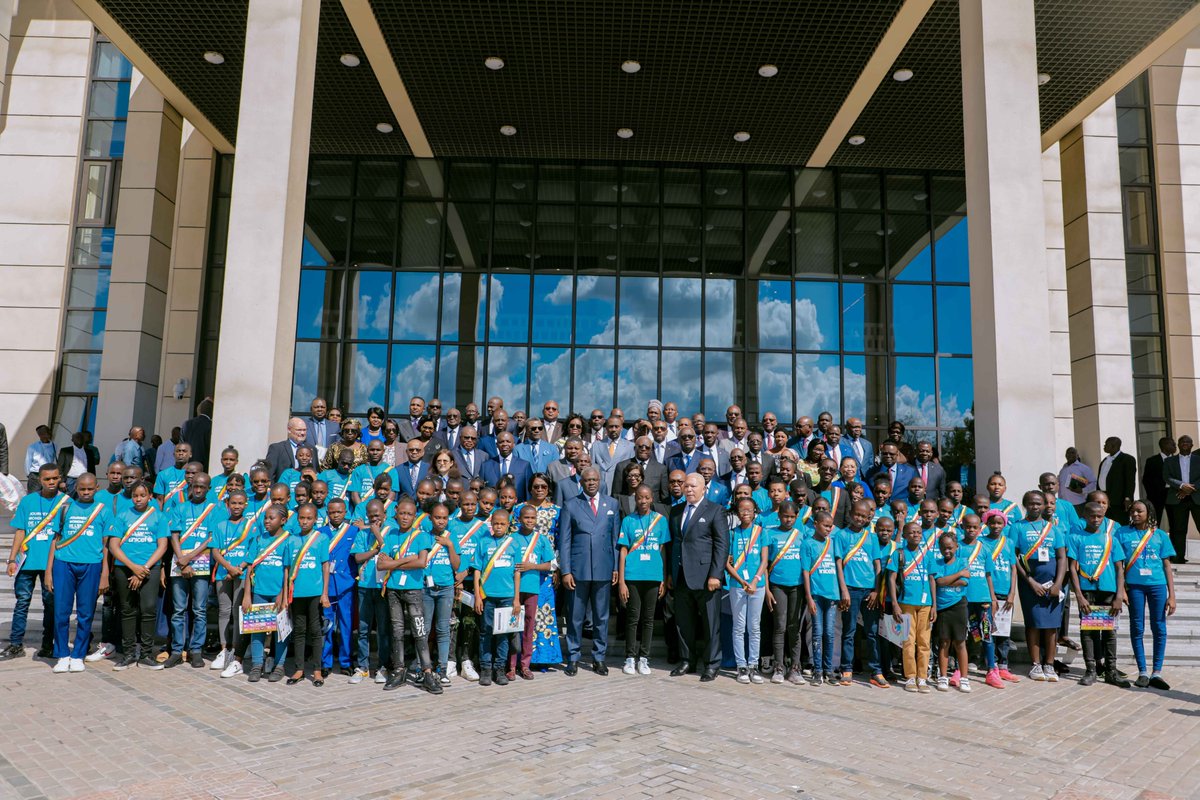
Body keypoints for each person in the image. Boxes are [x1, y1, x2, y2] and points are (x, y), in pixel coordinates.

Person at [45, 473, 112, 673]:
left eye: (89, 489)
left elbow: (107, 545)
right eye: (82, 488)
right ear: (76, 488)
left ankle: (78, 655)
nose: (85, 492)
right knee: (61, 612)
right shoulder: (65, 508)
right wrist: (48, 571)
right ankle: (63, 654)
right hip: (63, 564)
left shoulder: (103, 510)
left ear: (97, 488)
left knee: (85, 613)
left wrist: (105, 574)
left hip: (91, 565)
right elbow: (55, 541)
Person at [558, 467, 619, 675]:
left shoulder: (611, 504)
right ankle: (573, 657)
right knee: (575, 616)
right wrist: (565, 570)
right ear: (580, 483)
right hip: (578, 570)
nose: (591, 483)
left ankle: (599, 657)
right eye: (587, 480)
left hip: (603, 568)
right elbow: (564, 541)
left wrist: (615, 567)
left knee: (601, 617)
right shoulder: (570, 505)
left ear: (600, 480)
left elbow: (615, 539)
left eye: (594, 479)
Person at [3, 463, 67, 659]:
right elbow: (20, 530)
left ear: (60, 478)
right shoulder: (28, 501)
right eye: (47, 479)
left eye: (54, 478)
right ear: (40, 479)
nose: (51, 482)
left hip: (52, 564)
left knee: (50, 605)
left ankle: (48, 644)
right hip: (27, 561)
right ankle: (15, 644)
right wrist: (12, 558)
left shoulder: (67, 503)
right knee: (22, 602)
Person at [376, 498, 440, 693]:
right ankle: (399, 670)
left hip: (413, 590)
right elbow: (380, 565)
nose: (405, 517)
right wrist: (407, 559)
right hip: (394, 590)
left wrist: (394, 562)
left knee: (419, 631)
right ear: (396, 513)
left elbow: (421, 563)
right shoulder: (391, 534)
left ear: (415, 516)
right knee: (397, 631)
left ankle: (427, 672)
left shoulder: (421, 536)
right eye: (402, 513)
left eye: (409, 514)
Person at [106, 481, 169, 670]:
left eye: (142, 495)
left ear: (150, 496)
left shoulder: (158, 516)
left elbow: (163, 545)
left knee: (148, 609)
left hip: (150, 568)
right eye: (135, 495)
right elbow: (113, 545)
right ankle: (128, 653)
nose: (138, 499)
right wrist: (133, 567)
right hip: (125, 567)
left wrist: (144, 569)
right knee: (127, 610)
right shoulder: (123, 515)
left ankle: (146, 654)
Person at [1118, 500, 1177, 690]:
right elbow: (1118, 564)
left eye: (1139, 511)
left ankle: (1156, 672)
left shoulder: (1160, 535)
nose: (1135, 514)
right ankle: (1142, 671)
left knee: (1159, 627)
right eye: (1133, 511)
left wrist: (1172, 595)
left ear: (1149, 513)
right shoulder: (1122, 533)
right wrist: (1122, 590)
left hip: (1157, 586)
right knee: (1137, 626)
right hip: (1134, 586)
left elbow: (1167, 565)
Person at [1068, 502, 1129, 687]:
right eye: (1092, 516)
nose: (1096, 520)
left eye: (1099, 516)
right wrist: (1079, 595)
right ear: (1084, 517)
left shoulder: (1111, 539)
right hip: (1087, 591)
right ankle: (1091, 670)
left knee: (1109, 632)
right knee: (1088, 631)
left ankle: (1111, 670)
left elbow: (1119, 568)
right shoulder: (1076, 537)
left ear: (1104, 517)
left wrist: (1119, 595)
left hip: (1108, 591)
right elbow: (1072, 567)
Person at [165, 473, 220, 669]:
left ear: (208, 489)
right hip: (179, 561)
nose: (197, 490)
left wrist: (189, 558)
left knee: (199, 609)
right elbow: (174, 535)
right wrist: (182, 560)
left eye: (202, 487)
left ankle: (196, 650)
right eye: (195, 486)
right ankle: (177, 650)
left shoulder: (215, 509)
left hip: (202, 562)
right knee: (178, 610)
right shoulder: (180, 508)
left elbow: (211, 538)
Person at [1012, 490, 1067, 682]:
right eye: (1031, 503)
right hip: (1030, 581)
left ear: (1044, 505)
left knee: (1052, 626)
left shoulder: (1054, 529)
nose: (1035, 507)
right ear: (1024, 505)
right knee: (1033, 623)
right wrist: (1031, 582)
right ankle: (1035, 664)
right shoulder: (1017, 527)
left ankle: (1050, 664)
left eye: (1038, 503)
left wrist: (1058, 583)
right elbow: (1015, 557)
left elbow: (1061, 557)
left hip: (1052, 581)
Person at [512, 473, 562, 668]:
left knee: (543, 612)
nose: (539, 490)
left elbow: (559, 541)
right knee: (521, 613)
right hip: (522, 569)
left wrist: (557, 569)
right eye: (536, 486)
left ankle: (542, 657)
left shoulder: (556, 511)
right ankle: (519, 658)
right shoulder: (519, 509)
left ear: (549, 489)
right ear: (530, 488)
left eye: (543, 486)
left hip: (546, 570)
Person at [241, 506, 292, 682]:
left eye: (272, 518)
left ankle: (279, 665)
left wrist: (282, 594)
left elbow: (288, 570)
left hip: (278, 593)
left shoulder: (288, 540)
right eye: (265, 518)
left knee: (280, 629)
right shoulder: (258, 540)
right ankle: (256, 664)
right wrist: (247, 594)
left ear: (283, 520)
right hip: (260, 592)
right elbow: (250, 568)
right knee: (258, 629)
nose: (267, 521)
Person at [282, 505, 331, 686]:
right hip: (297, 593)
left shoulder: (321, 539)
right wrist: (286, 592)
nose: (304, 521)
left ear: (316, 519)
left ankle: (317, 671)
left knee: (316, 631)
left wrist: (324, 593)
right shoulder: (291, 540)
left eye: (309, 518)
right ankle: (299, 669)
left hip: (315, 592)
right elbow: (287, 569)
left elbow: (325, 567)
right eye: (301, 518)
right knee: (299, 631)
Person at [472, 509, 521, 687]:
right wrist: (477, 595)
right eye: (496, 523)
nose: (499, 527)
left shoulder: (513, 544)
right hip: (487, 596)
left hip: (507, 597)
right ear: (491, 524)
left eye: (502, 524)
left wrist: (516, 599)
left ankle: (499, 668)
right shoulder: (483, 542)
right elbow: (477, 571)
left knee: (503, 634)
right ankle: (485, 668)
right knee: (485, 632)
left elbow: (517, 573)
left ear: (508, 525)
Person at [887, 521, 938, 693]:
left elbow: (932, 579)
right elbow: (891, 579)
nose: (915, 535)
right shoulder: (899, 554)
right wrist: (894, 603)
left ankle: (922, 678)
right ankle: (910, 676)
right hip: (905, 603)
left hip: (925, 605)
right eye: (911, 532)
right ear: (905, 535)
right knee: (908, 641)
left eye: (918, 532)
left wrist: (934, 605)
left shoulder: (928, 554)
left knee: (924, 642)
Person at [836, 500, 882, 687]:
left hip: (869, 590)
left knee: (872, 632)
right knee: (849, 631)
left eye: (864, 516)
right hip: (851, 589)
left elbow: (877, 565)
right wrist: (844, 589)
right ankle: (846, 668)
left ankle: (876, 670)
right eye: (857, 515)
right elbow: (839, 563)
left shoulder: (871, 538)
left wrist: (876, 590)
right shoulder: (841, 535)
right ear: (850, 514)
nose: (860, 519)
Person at [210, 489, 255, 678]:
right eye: (233, 503)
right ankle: (224, 649)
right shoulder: (220, 525)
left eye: (240, 503)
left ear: (245, 505)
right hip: (223, 573)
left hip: (242, 574)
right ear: (227, 504)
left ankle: (237, 650)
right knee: (224, 611)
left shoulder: (251, 526)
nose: (236, 507)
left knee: (239, 613)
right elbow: (215, 551)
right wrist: (229, 567)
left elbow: (253, 550)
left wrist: (239, 568)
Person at [508, 505, 555, 681]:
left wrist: (532, 566)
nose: (529, 521)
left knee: (529, 627)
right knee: (512, 627)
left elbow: (550, 565)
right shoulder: (512, 538)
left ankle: (525, 665)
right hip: (513, 589)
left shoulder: (541, 539)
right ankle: (511, 665)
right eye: (526, 518)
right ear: (519, 519)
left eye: (532, 518)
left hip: (532, 589)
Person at [727, 497, 770, 684]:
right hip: (737, 586)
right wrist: (742, 580)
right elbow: (726, 563)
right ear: (737, 513)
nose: (745, 513)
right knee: (738, 627)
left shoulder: (761, 532)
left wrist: (754, 581)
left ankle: (753, 665)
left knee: (754, 627)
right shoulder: (732, 533)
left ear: (755, 512)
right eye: (742, 510)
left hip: (757, 587)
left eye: (749, 510)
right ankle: (741, 666)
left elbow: (764, 561)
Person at [801, 511, 847, 687]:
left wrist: (842, 591)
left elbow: (838, 566)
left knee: (829, 633)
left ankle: (828, 670)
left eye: (830, 526)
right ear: (815, 524)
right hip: (816, 595)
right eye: (825, 525)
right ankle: (817, 671)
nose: (828, 529)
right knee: (817, 632)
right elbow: (805, 571)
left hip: (832, 594)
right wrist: (809, 597)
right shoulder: (807, 544)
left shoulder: (833, 543)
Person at [957, 514, 1002, 688]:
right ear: (962, 527)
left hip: (983, 599)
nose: (971, 530)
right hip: (963, 598)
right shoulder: (958, 547)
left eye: (975, 527)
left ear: (980, 528)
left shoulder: (984, 549)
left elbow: (988, 575)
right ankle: (960, 670)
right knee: (963, 634)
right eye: (968, 527)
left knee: (985, 633)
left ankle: (992, 669)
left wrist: (993, 598)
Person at [349, 499, 391, 685]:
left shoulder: (391, 532)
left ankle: (382, 666)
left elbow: (391, 554)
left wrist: (378, 535)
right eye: (371, 516)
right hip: (366, 586)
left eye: (378, 515)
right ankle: (363, 667)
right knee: (364, 628)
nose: (375, 519)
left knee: (383, 629)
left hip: (383, 587)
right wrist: (374, 550)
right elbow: (358, 557)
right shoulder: (362, 533)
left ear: (384, 515)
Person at [422, 503, 460, 684]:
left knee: (443, 629)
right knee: (425, 629)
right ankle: (424, 667)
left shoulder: (451, 538)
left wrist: (450, 545)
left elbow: (457, 565)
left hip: (446, 589)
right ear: (430, 517)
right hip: (426, 589)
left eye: (445, 518)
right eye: (437, 517)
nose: (441, 521)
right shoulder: (423, 537)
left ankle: (442, 668)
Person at [931, 532, 971, 693]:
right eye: (943, 548)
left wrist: (952, 578)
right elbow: (939, 582)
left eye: (950, 548)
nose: (946, 551)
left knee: (960, 642)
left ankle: (964, 678)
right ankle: (942, 676)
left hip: (959, 606)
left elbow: (964, 582)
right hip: (942, 607)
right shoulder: (937, 563)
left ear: (956, 547)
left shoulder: (963, 561)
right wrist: (959, 574)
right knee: (944, 642)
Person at [1164, 434, 1200, 563]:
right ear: (1178, 445)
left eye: (1187, 442)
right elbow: (1167, 477)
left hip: (1197, 498)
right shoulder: (1169, 461)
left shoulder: (1198, 459)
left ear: (1192, 445)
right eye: (1182, 442)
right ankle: (1179, 557)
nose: (1185, 444)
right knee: (1179, 529)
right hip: (1177, 498)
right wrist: (1182, 485)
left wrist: (1189, 489)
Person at [1097, 436, 1137, 525]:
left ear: (1114, 446)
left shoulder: (1127, 459)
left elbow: (1130, 481)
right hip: (1104, 499)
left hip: (1118, 501)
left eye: (1106, 444)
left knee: (1119, 524)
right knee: (1106, 525)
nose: (1104, 446)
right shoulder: (1105, 460)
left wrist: (1128, 497)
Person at [1143, 437, 1175, 525]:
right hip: (1157, 495)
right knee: (1154, 521)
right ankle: (1153, 538)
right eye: (1172, 444)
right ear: (1164, 446)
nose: (1175, 446)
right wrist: (1152, 494)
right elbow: (1146, 479)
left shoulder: (1177, 460)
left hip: (1173, 494)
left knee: (1175, 521)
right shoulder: (1152, 461)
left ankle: (1171, 539)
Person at [181, 397, 213, 470]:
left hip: (188, 466)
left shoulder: (186, 424)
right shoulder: (211, 425)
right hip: (204, 466)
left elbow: (181, 445)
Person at [24, 425, 58, 493]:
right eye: (40, 433)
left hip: (48, 474)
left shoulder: (54, 446)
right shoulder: (33, 446)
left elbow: (55, 460)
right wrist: (29, 474)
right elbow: (28, 461)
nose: (42, 435)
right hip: (35, 474)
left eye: (44, 433)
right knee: (33, 496)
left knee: (47, 495)